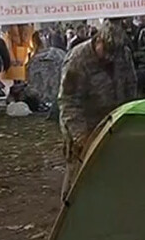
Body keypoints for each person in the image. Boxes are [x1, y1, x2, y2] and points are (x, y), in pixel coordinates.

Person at [58, 20, 137, 200]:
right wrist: (82, 138)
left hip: (114, 125)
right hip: (85, 128)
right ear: (98, 40)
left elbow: (131, 86)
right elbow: (68, 102)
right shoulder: (77, 60)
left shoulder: (123, 55)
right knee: (77, 183)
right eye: (106, 53)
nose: (110, 59)